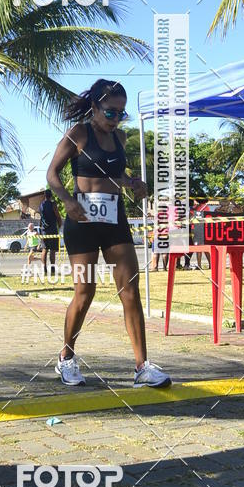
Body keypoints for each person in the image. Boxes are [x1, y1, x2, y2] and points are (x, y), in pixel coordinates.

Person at [45, 78, 171, 388]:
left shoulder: (121, 139)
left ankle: (142, 366)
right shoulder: (78, 133)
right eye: (110, 113)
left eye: (121, 114)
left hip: (114, 219)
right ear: (94, 107)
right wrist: (67, 200)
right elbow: (52, 173)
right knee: (85, 292)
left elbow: (115, 175)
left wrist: (134, 185)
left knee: (130, 289)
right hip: (82, 221)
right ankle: (67, 358)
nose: (116, 119)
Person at [39, 189, 62, 276]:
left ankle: (44, 268)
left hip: (44, 230)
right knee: (52, 250)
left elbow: (41, 218)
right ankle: (52, 268)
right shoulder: (53, 204)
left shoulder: (41, 205)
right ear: (51, 196)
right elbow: (58, 216)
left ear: (44, 196)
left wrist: (41, 229)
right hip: (52, 230)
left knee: (44, 249)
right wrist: (59, 225)